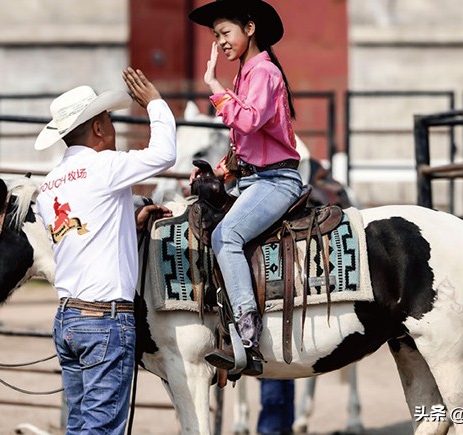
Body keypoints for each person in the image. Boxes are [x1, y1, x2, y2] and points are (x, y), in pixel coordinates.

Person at [33, 68, 176, 434]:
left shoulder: (49, 186)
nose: (112, 128)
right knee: (101, 428)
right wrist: (155, 103)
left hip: (69, 318)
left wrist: (130, 223)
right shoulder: (104, 167)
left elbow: (81, 235)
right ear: (98, 127)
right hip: (104, 319)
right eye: (109, 120)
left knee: (81, 424)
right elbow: (164, 154)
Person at [188, 0, 303, 376]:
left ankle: (247, 332)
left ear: (249, 29)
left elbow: (250, 121)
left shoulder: (264, 72)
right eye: (215, 36)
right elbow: (245, 147)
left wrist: (213, 87)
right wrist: (218, 172)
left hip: (276, 181)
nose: (220, 42)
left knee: (227, 236)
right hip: (254, 179)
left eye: (225, 33)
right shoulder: (248, 75)